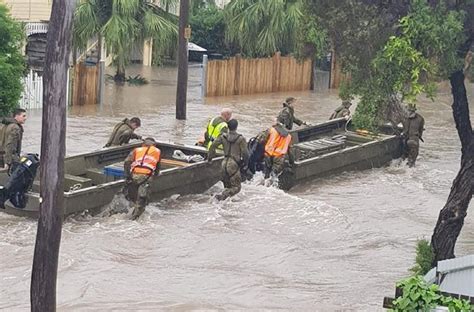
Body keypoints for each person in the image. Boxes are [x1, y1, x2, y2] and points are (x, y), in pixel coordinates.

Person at [208, 119, 249, 201]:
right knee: (237, 187)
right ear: (236, 127)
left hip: (223, 164)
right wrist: (245, 164)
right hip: (233, 165)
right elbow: (245, 153)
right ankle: (221, 196)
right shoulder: (241, 139)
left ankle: (223, 202)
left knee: (227, 186)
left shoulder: (223, 136)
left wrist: (210, 158)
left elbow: (212, 146)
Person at [123, 137, 161, 220]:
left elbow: (126, 162)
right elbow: (157, 167)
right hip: (146, 177)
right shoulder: (157, 151)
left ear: (143, 144)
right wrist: (155, 176)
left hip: (135, 176)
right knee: (142, 199)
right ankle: (135, 217)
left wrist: (128, 176)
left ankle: (131, 208)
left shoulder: (136, 150)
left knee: (132, 193)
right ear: (154, 145)